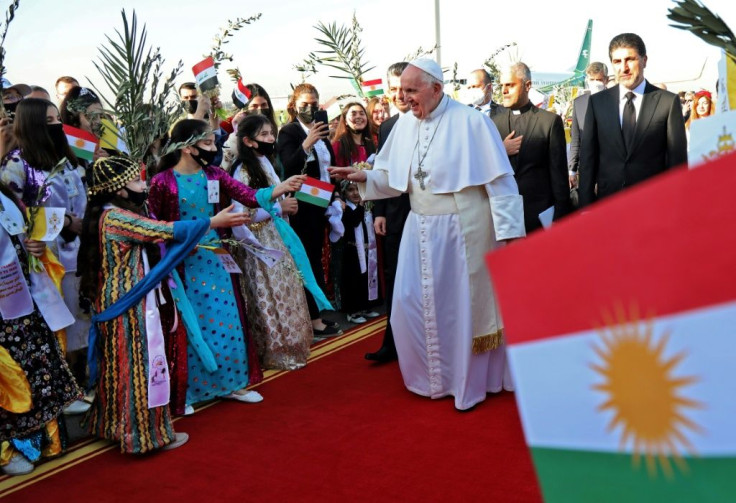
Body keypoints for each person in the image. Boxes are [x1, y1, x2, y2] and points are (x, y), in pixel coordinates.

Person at [330, 59, 526, 410]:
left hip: (463, 229)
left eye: (411, 91)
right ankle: (430, 378)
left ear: (436, 88)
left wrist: (510, 237)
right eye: (401, 91)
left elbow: (501, 183)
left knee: (459, 309)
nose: (404, 99)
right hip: (418, 228)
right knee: (410, 303)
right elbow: (394, 177)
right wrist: (366, 178)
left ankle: (466, 382)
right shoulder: (404, 125)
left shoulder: (472, 123)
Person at [79, 156, 250, 453]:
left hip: (113, 300)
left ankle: (111, 425)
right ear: (119, 189)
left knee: (117, 366)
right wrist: (212, 221)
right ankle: (144, 437)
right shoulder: (118, 218)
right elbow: (166, 231)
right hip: (129, 304)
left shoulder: (105, 215)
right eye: (136, 181)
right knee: (139, 368)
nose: (144, 185)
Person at [148, 119, 304, 407]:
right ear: (187, 147)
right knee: (191, 324)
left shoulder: (215, 175)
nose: (214, 147)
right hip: (182, 263)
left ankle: (233, 383)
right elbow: (157, 227)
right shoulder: (162, 182)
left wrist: (280, 188)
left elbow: (248, 196)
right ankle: (190, 390)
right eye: (207, 143)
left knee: (228, 320)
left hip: (217, 258)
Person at [0, 98, 91, 415]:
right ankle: (65, 392)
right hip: (46, 259)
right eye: (49, 120)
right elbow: (12, 209)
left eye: (57, 118)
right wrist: (63, 223)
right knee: (59, 322)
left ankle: (82, 382)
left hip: (79, 251)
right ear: (34, 124)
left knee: (81, 318)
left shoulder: (64, 158)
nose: (56, 125)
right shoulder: (17, 163)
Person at [0, 183, 81, 475]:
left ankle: (45, 440)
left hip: (24, 302)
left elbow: (25, 237)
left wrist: (35, 246)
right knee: (11, 377)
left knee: (36, 367)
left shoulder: (6, 196)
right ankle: (9, 449)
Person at [229, 114, 315, 370]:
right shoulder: (242, 169)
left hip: (278, 236)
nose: (270, 139)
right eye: (264, 135)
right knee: (269, 295)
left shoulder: (265, 160)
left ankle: (292, 345)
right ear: (249, 141)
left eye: (271, 133)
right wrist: (279, 208)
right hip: (259, 242)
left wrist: (282, 208)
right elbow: (242, 214)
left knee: (286, 289)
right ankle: (275, 351)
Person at [579, 33, 688, 207]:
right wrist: (585, 208)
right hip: (608, 204)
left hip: (653, 204)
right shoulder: (597, 102)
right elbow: (588, 159)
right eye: (617, 62)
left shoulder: (667, 102)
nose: (624, 68)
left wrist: (676, 205)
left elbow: (677, 161)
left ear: (644, 61)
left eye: (630, 59)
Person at [277, 83, 341, 337]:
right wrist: (307, 143)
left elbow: (327, 167)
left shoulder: (322, 132)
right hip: (302, 206)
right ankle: (313, 318)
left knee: (317, 256)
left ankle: (317, 311)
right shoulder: (289, 131)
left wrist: (335, 189)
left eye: (315, 104)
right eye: (305, 104)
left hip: (322, 202)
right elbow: (289, 165)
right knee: (308, 259)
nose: (310, 108)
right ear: (294, 105)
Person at [365, 62, 411, 363]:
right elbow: (381, 171)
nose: (398, 96)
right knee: (395, 279)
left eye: (404, 89)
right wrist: (379, 211)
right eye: (392, 90)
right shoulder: (387, 126)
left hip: (430, 214)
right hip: (394, 216)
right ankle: (392, 343)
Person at [493, 63, 571, 234]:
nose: (504, 91)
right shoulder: (493, 123)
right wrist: (501, 151)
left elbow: (559, 175)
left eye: (510, 85)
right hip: (505, 216)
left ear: (527, 85)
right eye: (502, 86)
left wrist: (561, 216)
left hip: (539, 216)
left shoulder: (548, 122)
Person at [340, 181, 380, 323]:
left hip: (365, 248)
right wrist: (362, 205)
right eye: (351, 190)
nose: (355, 193)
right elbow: (354, 221)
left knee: (365, 278)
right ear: (344, 193)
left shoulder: (365, 208)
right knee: (353, 280)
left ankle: (364, 306)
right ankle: (352, 311)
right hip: (352, 249)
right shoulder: (344, 209)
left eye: (358, 189)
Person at [568, 62, 609, 189]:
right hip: (586, 168)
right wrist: (572, 170)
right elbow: (576, 139)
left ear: (606, 80)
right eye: (592, 80)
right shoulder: (579, 103)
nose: (596, 83)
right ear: (587, 80)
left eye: (599, 80)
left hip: (610, 168)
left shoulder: (616, 100)